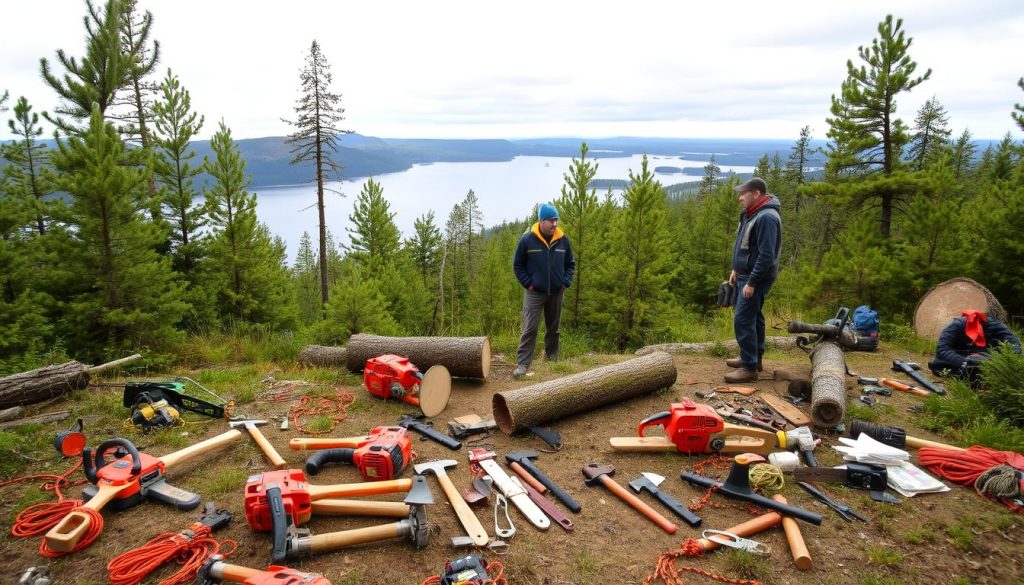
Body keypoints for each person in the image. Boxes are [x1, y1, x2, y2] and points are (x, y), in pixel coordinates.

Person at [724, 177, 782, 383]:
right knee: (754, 316)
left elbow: (767, 255)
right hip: (745, 274)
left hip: (754, 277)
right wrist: (736, 269)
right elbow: (746, 246)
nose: (740, 198)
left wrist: (752, 282)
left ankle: (748, 368)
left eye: (743, 194)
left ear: (756, 193)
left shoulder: (766, 218)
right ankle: (753, 359)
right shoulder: (751, 214)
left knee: (743, 319)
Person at [512, 203, 575, 377]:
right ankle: (523, 364)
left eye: (556, 220)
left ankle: (552, 358)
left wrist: (565, 282)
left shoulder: (563, 240)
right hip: (534, 293)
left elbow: (570, 264)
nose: (554, 224)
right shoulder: (527, 240)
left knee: (553, 328)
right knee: (529, 328)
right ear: (541, 221)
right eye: (550, 220)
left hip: (556, 292)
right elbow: (518, 265)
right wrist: (528, 283)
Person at [928, 310, 1021, 385]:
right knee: (940, 365)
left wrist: (1004, 362)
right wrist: (964, 363)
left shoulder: (995, 325)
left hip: (987, 360)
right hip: (958, 361)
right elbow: (942, 350)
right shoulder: (956, 325)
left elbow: (1014, 344)